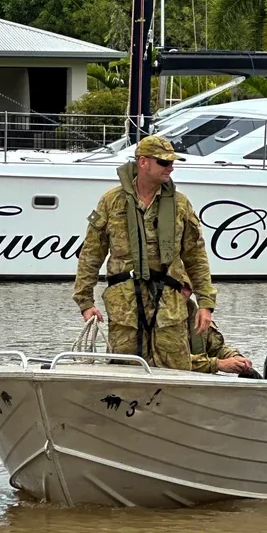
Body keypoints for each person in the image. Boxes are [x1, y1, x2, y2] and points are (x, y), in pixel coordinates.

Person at [73, 135, 217, 369]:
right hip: (125, 308)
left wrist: (205, 303)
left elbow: (196, 256)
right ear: (142, 162)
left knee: (176, 369)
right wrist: (85, 302)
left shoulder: (181, 205)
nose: (170, 167)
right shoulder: (111, 202)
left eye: (172, 163)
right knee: (124, 371)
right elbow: (91, 253)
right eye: (163, 162)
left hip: (169, 307)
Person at [181, 283, 254, 375]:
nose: (184, 293)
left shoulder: (196, 315)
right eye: (178, 287)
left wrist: (235, 358)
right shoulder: (158, 318)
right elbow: (172, 360)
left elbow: (216, 348)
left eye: (187, 288)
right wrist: (218, 364)